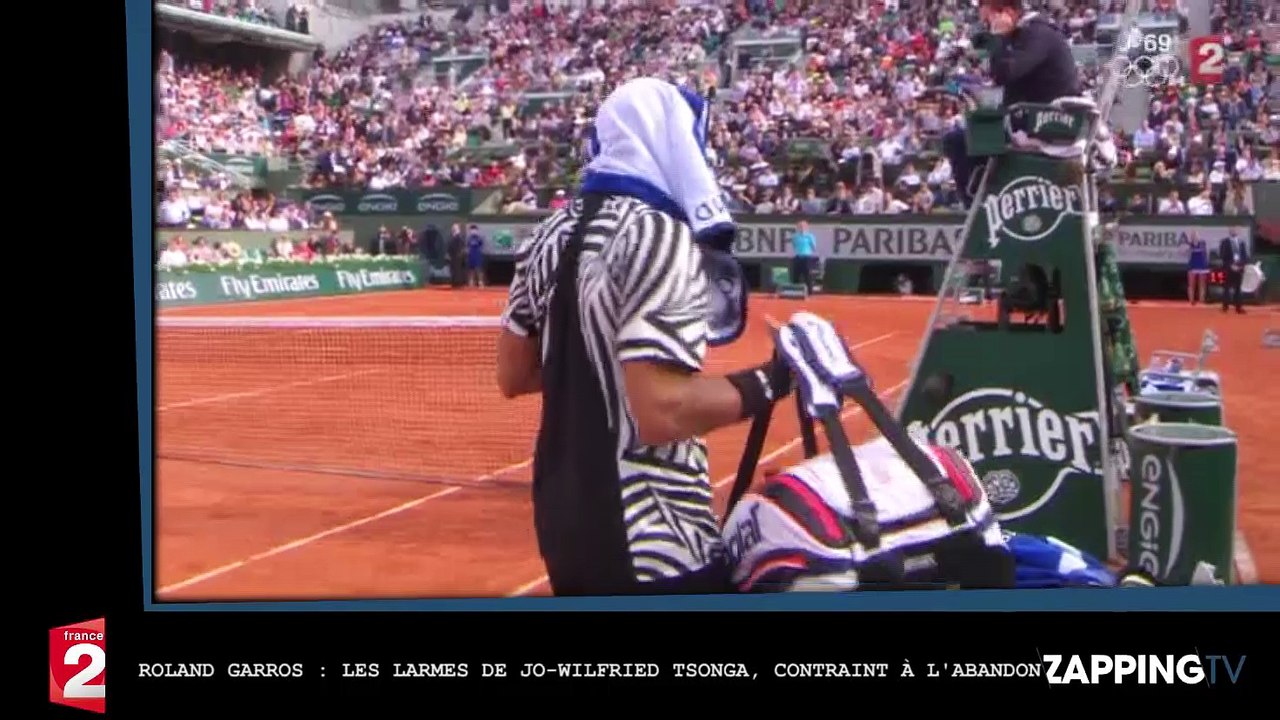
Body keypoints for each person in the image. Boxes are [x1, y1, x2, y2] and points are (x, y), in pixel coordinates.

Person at [495, 77, 794, 597]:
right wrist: (775, 379)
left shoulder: (547, 233)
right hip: (655, 540)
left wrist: (606, 362)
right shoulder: (660, 235)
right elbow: (663, 412)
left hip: (562, 526)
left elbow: (513, 374)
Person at [942, 0, 1081, 207]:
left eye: (990, 21)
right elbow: (991, 60)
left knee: (957, 140)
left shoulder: (1037, 34)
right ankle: (986, 199)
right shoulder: (1025, 34)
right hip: (1030, 118)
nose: (989, 27)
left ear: (1007, 13)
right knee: (968, 133)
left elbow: (1004, 73)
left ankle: (976, 206)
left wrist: (997, 37)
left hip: (1045, 123)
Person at [1218, 227, 1249, 314]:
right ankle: (1225, 307)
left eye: (1235, 230)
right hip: (1229, 268)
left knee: (1238, 288)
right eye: (1232, 230)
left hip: (1239, 268)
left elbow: (1245, 256)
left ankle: (1238, 307)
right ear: (1229, 231)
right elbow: (1222, 256)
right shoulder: (1225, 242)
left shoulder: (1241, 242)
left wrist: (1241, 266)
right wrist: (1231, 266)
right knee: (1226, 288)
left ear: (1238, 231)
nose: (1234, 231)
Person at [790, 220, 817, 292]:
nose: (801, 228)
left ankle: (809, 291)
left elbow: (814, 247)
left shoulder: (810, 236)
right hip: (798, 257)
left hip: (807, 257)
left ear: (807, 227)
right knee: (796, 274)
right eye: (800, 226)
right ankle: (795, 290)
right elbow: (794, 245)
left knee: (807, 275)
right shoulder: (795, 236)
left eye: (803, 226)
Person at [1186, 231, 1209, 305]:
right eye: (1193, 236)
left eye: (1196, 236)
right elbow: (1187, 253)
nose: (1194, 237)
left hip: (1202, 265)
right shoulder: (1189, 244)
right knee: (1191, 284)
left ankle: (1201, 299)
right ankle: (1191, 300)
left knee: (1202, 284)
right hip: (1192, 265)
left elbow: (1204, 252)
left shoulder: (1202, 243)